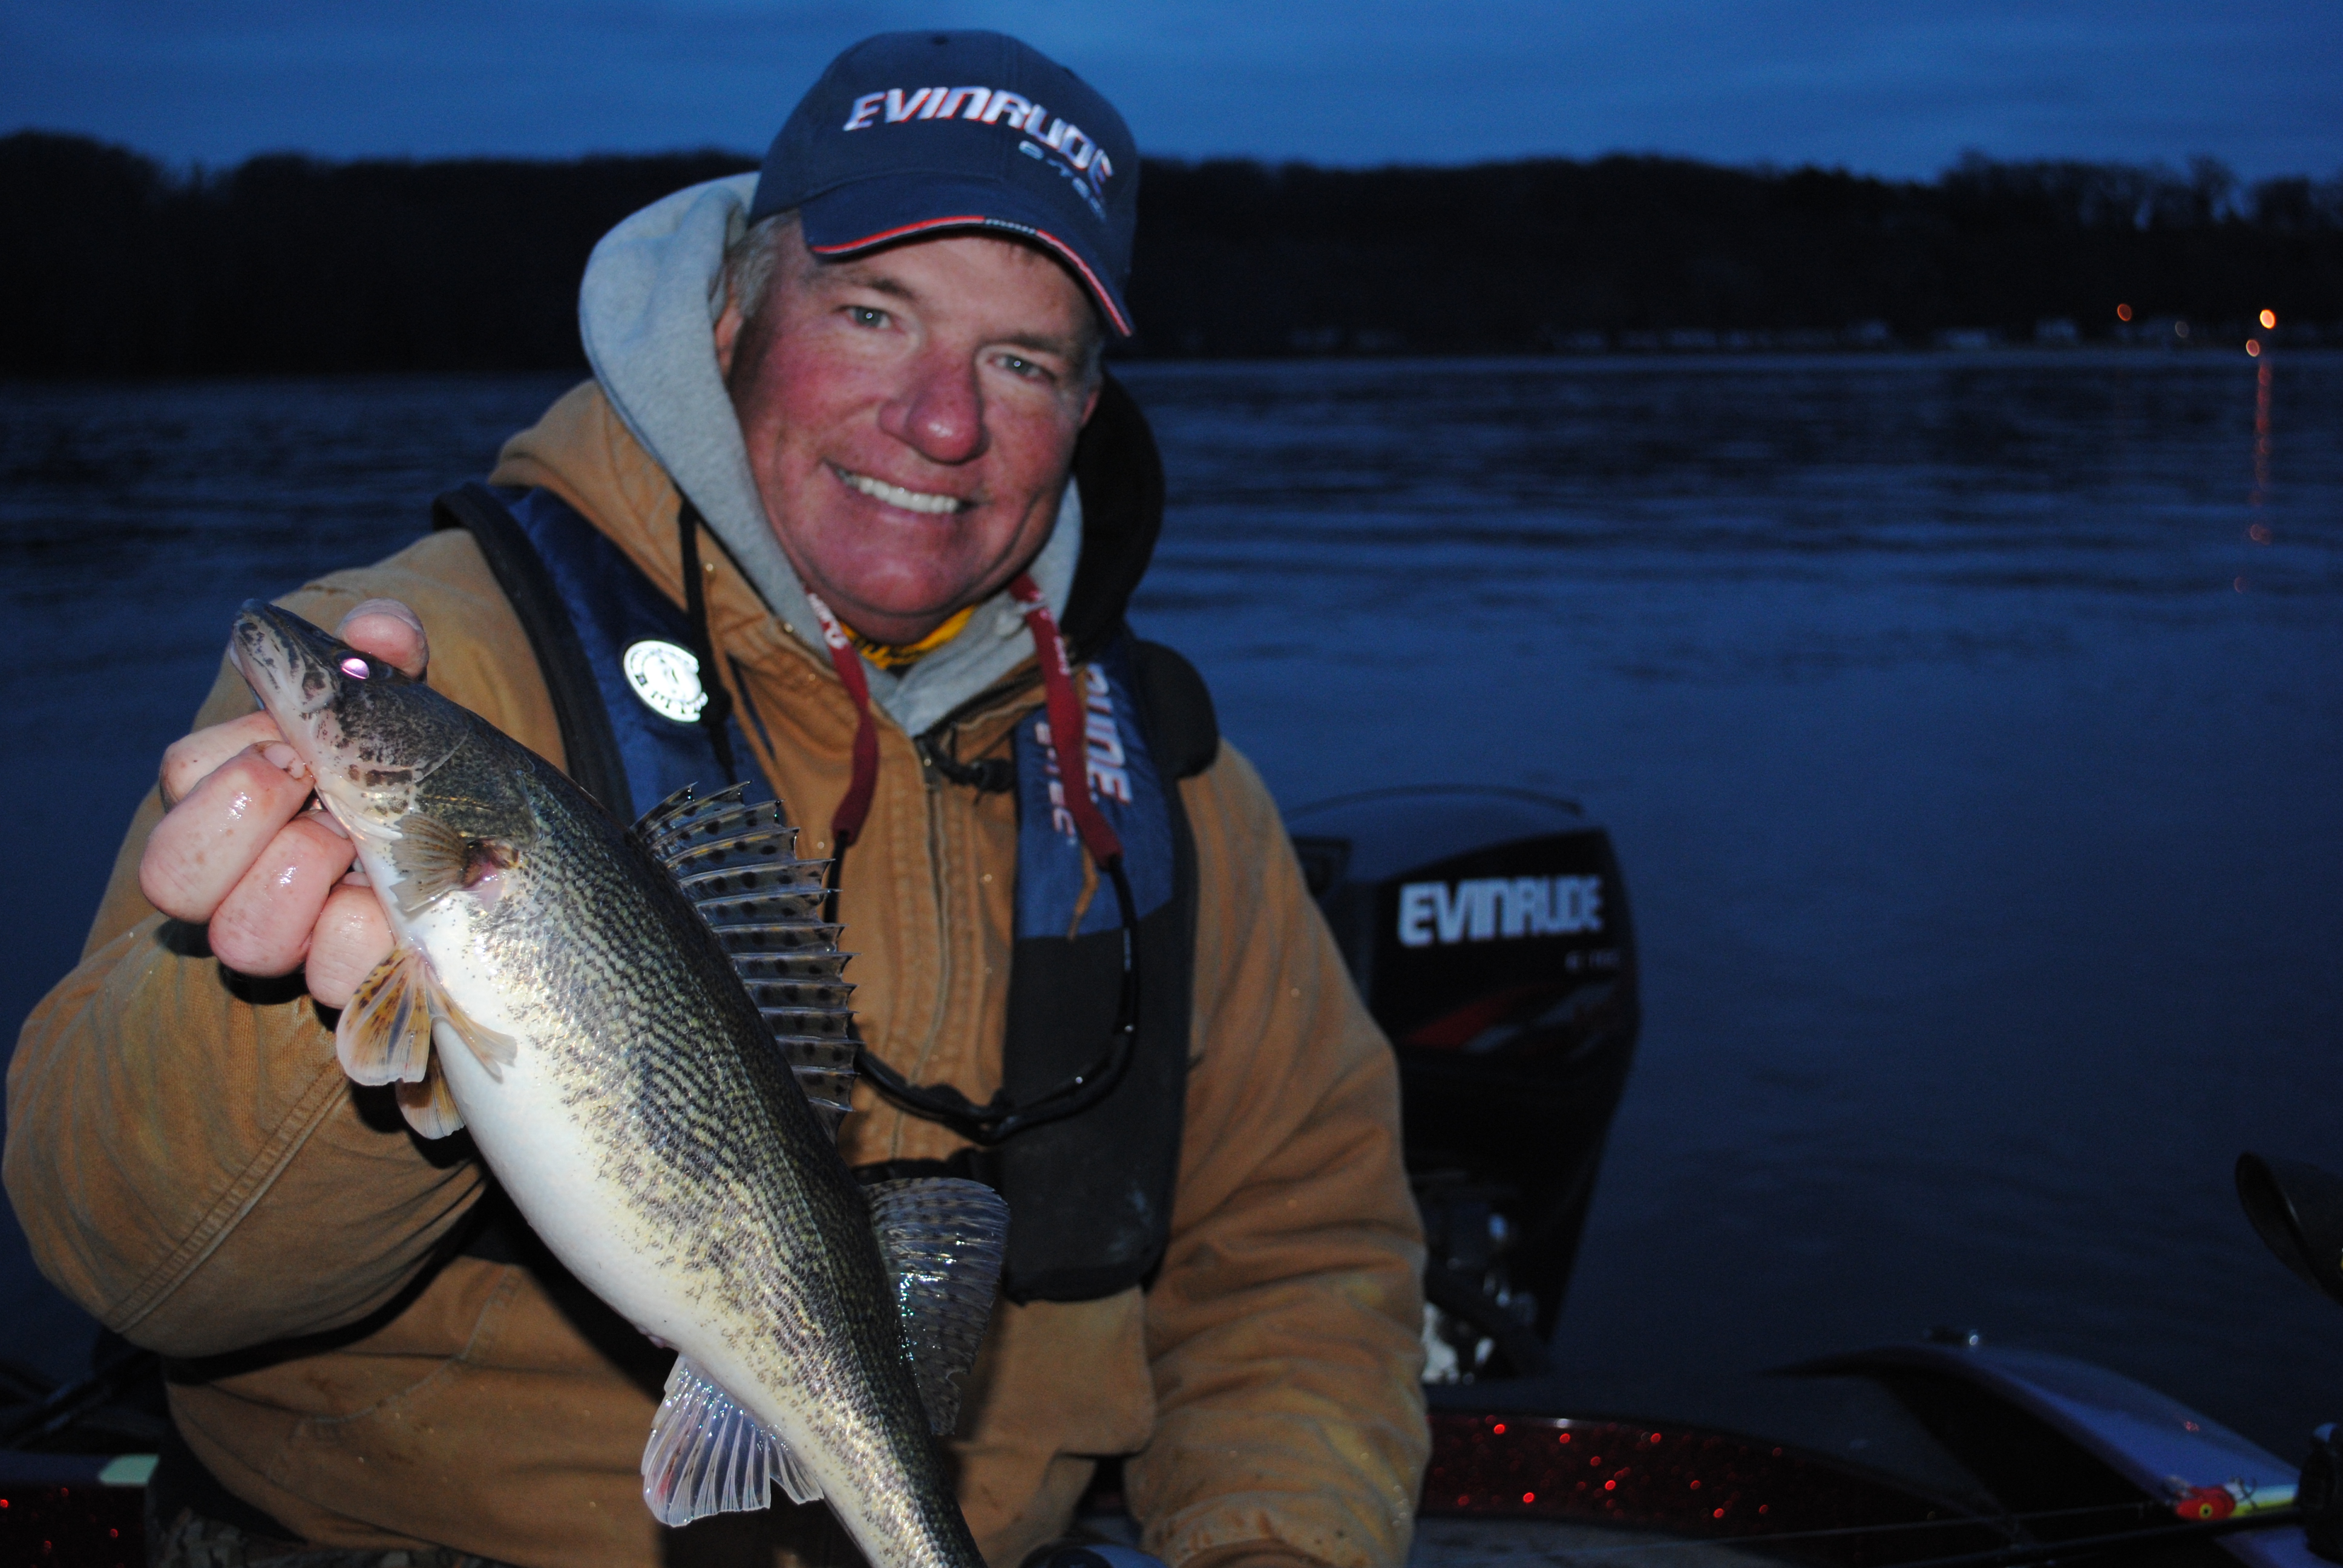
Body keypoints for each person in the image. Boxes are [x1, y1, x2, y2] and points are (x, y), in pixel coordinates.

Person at [5, 30, 1427, 1568]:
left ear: (1086, 412)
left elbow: (1297, 1253)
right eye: (875, 312)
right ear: (735, 315)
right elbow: (132, 1265)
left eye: (1021, 361)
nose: (942, 421)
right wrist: (293, 1023)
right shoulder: (437, 659)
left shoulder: (1160, 773)